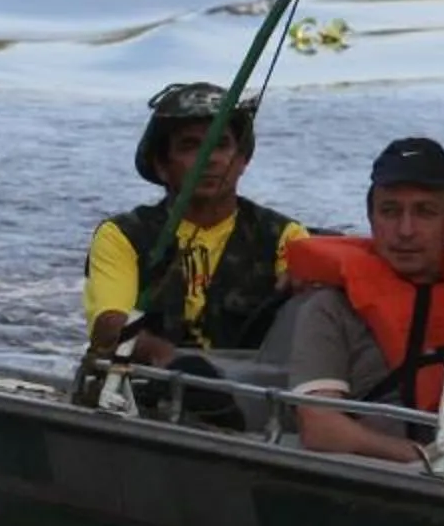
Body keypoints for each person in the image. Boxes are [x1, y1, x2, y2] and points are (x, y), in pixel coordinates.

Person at [83, 81, 305, 367]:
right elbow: (108, 326)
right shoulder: (121, 235)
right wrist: (169, 361)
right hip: (144, 391)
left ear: (242, 160)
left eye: (221, 144)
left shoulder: (285, 236)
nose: (210, 159)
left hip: (250, 400)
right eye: (190, 146)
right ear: (162, 164)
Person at [280, 137, 444, 464]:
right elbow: (320, 427)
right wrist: (421, 459)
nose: (406, 230)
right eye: (390, 211)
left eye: (425, 212)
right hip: (372, 476)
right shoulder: (329, 308)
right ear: (370, 217)